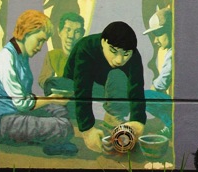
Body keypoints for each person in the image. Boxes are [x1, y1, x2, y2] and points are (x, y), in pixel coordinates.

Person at [0, 10, 77, 156]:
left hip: (19, 113)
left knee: (59, 110)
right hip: (5, 121)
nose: (40, 47)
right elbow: (22, 103)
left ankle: (54, 140)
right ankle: (55, 140)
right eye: (39, 40)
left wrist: (52, 101)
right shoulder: (6, 58)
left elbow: (25, 97)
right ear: (26, 32)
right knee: (62, 126)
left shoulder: (21, 56)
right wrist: (50, 99)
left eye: (43, 42)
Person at [63, 21, 147, 153]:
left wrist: (138, 121)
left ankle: (112, 117)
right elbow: (81, 89)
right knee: (54, 84)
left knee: (118, 74)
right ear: (103, 42)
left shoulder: (134, 55)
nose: (119, 60)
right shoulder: (86, 47)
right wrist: (87, 129)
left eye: (126, 54)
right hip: (74, 88)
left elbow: (136, 88)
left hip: (105, 89)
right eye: (113, 51)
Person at [144, 8, 173, 138]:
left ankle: (171, 125)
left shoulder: (174, 53)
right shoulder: (171, 50)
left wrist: (154, 87)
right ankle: (170, 125)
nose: (155, 41)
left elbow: (164, 80)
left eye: (158, 34)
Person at [39, 12, 85, 94]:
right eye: (68, 30)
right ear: (59, 31)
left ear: (82, 34)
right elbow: (43, 81)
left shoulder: (87, 57)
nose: (71, 36)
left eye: (77, 31)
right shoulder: (52, 56)